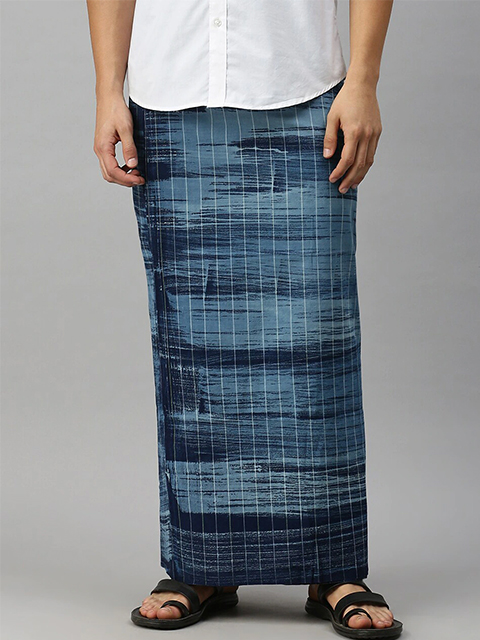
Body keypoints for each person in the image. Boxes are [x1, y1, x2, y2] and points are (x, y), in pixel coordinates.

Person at [86, 1, 403, 637]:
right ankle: (202, 563)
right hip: (170, 93)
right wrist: (107, 91)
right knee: (192, 350)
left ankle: (333, 566)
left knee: (315, 343)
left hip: (304, 87)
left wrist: (364, 80)